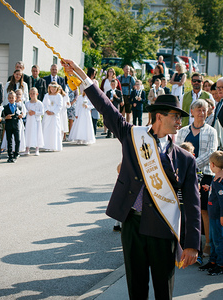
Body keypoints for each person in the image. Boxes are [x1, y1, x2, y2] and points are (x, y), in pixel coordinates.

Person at [61, 58, 201, 300]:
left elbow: (193, 203)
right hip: (132, 225)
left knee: (162, 290)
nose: (180, 122)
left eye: (181, 117)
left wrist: (192, 244)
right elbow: (107, 108)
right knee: (136, 288)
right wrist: (83, 77)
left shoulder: (185, 158)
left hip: (163, 228)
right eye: (175, 116)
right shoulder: (132, 136)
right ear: (159, 116)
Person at [176, 99, 218, 263]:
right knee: (184, 210)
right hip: (185, 174)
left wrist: (191, 164)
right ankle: (183, 246)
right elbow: (178, 150)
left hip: (205, 174)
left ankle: (207, 244)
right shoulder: (183, 131)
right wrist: (186, 167)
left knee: (203, 211)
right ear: (192, 112)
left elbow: (211, 153)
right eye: (198, 109)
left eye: (204, 110)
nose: (201, 113)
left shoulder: (211, 131)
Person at [199, 151, 223, 275]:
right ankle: (213, 261)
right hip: (213, 214)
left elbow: (222, 199)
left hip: (218, 216)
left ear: (212, 165)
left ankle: (220, 264)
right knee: (213, 240)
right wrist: (210, 188)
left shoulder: (219, 181)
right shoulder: (216, 179)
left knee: (219, 241)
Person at [3, 91, 23, 162]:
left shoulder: (19, 107)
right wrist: (6, 117)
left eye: (13, 98)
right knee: (9, 141)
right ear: (8, 98)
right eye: (10, 98)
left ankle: (16, 153)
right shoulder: (5, 107)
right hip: (8, 126)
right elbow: (3, 117)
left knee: (17, 140)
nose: (11, 99)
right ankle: (10, 155)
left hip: (16, 125)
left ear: (15, 98)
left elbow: (21, 115)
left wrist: (21, 116)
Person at [42, 82, 63, 152]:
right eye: (52, 88)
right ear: (49, 88)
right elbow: (43, 104)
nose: (53, 90)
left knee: (54, 130)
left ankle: (54, 146)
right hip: (47, 115)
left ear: (57, 88)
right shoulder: (46, 95)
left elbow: (60, 105)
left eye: (54, 88)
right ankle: (46, 146)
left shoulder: (59, 96)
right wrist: (46, 110)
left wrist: (53, 112)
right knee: (47, 130)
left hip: (54, 116)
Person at [24, 87, 44, 156]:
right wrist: (28, 112)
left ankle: (37, 149)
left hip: (36, 121)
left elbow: (42, 112)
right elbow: (24, 110)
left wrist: (35, 112)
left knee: (37, 133)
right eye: (31, 93)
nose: (32, 95)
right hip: (29, 121)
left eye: (34, 93)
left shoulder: (39, 103)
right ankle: (27, 148)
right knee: (28, 133)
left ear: (37, 94)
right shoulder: (27, 103)